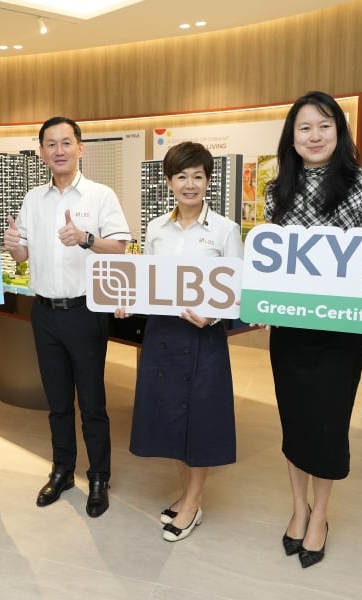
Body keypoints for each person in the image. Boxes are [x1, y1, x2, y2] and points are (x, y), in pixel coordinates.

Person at [263, 91, 362, 568]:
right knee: (295, 421)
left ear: (339, 132)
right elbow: (271, 262)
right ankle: (299, 510)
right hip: (292, 329)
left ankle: (322, 516)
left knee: (328, 423)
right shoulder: (280, 189)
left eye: (324, 126)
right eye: (304, 128)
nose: (314, 136)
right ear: (292, 138)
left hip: (343, 329)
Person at [3, 116, 130, 518]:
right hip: (44, 313)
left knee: (92, 402)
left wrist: (86, 239)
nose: (58, 150)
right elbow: (23, 255)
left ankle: (98, 477)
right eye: (50, 144)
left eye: (66, 142)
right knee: (57, 402)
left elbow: (121, 247)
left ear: (80, 148)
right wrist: (13, 246)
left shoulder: (100, 195)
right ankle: (61, 470)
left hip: (86, 311)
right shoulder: (32, 199)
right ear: (41, 151)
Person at [115, 141, 242, 541]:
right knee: (171, 417)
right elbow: (150, 282)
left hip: (203, 337)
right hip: (164, 336)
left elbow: (238, 290)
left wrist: (215, 313)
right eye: (182, 176)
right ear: (169, 181)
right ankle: (189, 494)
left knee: (200, 420)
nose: (190, 185)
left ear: (208, 181)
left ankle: (191, 503)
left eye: (198, 177)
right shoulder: (155, 228)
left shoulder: (225, 230)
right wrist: (127, 301)